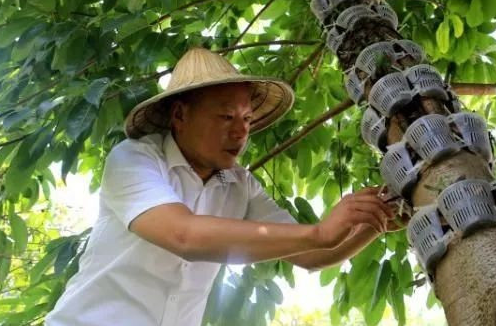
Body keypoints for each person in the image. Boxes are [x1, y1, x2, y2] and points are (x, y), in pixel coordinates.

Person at [46, 47, 399, 326]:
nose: (241, 132)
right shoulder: (135, 159)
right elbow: (183, 235)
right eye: (226, 117)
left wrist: (376, 219)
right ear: (180, 116)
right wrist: (321, 232)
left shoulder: (240, 185)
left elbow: (312, 255)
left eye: (246, 119)